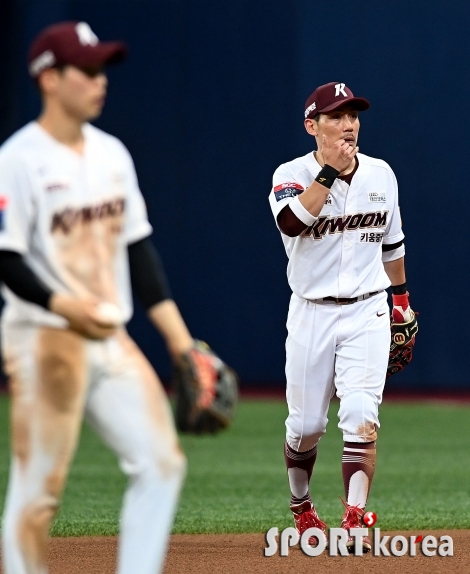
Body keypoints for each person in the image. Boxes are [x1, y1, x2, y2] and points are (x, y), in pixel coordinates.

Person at [0, 21, 209, 574]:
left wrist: (182, 345)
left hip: (109, 338)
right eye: (87, 70)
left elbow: (139, 253)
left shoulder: (113, 154)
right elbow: (5, 256)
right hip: (46, 339)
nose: (101, 82)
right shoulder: (18, 159)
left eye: (102, 70)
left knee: (162, 463)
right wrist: (67, 307)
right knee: (38, 490)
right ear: (49, 78)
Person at [268, 81, 416, 552]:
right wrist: (328, 174)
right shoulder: (290, 173)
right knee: (307, 425)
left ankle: (354, 517)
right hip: (311, 312)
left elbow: (392, 242)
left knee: (359, 414)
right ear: (312, 126)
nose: (349, 124)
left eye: (353, 115)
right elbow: (291, 223)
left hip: (368, 308)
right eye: (336, 116)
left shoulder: (381, 175)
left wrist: (401, 300)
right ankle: (302, 505)